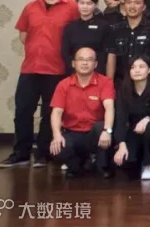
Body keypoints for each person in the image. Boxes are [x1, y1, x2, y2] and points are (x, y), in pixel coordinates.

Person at [0, 0, 80, 169]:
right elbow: (23, 34)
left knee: (49, 114)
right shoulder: (31, 7)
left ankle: (44, 154)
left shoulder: (72, 8)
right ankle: (21, 154)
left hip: (57, 70)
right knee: (22, 111)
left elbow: (77, 36)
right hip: (30, 68)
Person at [48, 46, 115, 178]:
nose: (85, 63)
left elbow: (109, 107)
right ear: (73, 63)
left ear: (95, 64)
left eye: (89, 60)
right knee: (57, 148)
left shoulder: (105, 82)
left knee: (101, 127)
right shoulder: (63, 85)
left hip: (94, 133)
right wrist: (56, 135)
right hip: (72, 132)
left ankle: (101, 165)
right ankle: (77, 164)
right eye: (81, 59)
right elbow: (56, 112)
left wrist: (107, 131)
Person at [112, 55, 150, 180]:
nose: (137, 70)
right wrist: (121, 143)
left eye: (141, 67)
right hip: (133, 131)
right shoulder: (124, 90)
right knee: (124, 162)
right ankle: (137, 159)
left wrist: (148, 119)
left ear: (149, 70)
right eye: (133, 67)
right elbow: (121, 118)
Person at [104, 0, 150, 86]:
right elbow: (111, 58)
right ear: (124, 5)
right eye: (129, 2)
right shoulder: (115, 29)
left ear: (144, 7)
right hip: (121, 83)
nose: (132, 6)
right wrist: (109, 84)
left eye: (137, 3)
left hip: (146, 83)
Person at [61, 0, 111, 76]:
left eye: (89, 3)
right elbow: (65, 53)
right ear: (77, 3)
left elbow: (106, 54)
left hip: (97, 73)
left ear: (95, 5)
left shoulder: (104, 26)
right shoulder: (70, 27)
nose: (85, 6)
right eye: (82, 3)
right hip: (74, 73)